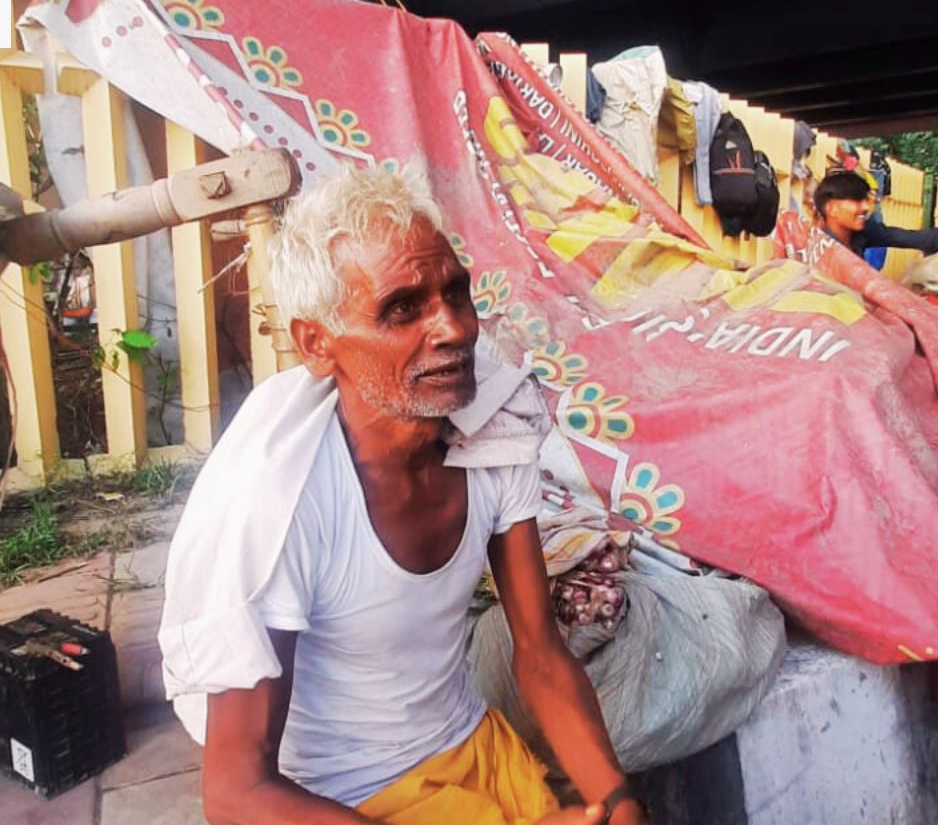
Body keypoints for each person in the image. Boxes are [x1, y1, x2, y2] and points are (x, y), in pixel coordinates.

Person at [157, 163, 645, 825]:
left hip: (474, 754)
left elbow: (540, 652)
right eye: (402, 309)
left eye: (456, 293)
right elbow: (237, 795)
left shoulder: (493, 430)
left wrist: (615, 801)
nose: (454, 329)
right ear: (317, 345)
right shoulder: (278, 505)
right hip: (346, 802)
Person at [811, 170, 938, 258]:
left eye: (866, 200)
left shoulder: (866, 233)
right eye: (856, 200)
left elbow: (922, 239)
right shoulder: (812, 246)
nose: (865, 207)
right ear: (831, 208)